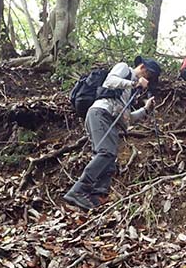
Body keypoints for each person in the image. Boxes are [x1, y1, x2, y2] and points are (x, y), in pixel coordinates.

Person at [63, 57, 160, 211]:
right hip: (100, 113)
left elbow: (128, 117)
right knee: (106, 153)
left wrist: (146, 109)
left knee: (109, 158)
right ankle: (78, 190)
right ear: (143, 68)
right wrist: (134, 83)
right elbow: (110, 81)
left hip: (109, 120)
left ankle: (96, 196)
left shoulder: (129, 91)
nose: (148, 80)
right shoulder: (124, 69)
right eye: (149, 76)